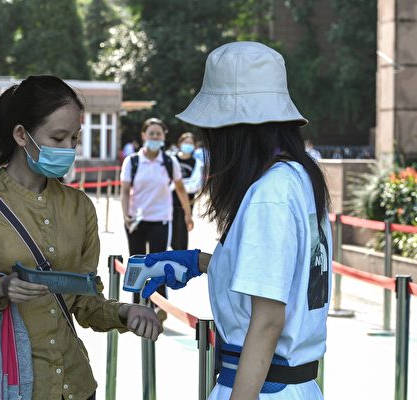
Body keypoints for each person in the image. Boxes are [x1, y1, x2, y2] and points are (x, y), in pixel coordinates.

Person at [0, 75, 162, 400]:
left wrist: (126, 312)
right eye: (58, 137)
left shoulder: (79, 207)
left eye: (74, 139)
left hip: (76, 386)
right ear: (21, 134)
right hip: (7, 387)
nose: (69, 150)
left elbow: (85, 302)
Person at [142, 42, 332, 400]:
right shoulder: (299, 176)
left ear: (232, 129)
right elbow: (283, 276)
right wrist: (203, 263)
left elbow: (268, 320)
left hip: (258, 387)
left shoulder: (269, 194)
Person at [120, 118, 194, 307]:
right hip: (135, 220)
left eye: (158, 133)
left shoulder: (169, 162)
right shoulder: (133, 161)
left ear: (164, 136)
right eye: (151, 133)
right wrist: (125, 215)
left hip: (160, 220)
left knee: (158, 265)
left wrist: (187, 214)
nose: (154, 137)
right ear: (143, 135)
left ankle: (159, 307)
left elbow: (180, 189)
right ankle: (136, 307)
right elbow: (125, 190)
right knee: (137, 265)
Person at [171, 132, 203, 250]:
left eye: (191, 143)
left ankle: (181, 254)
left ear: (194, 146)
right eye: (185, 142)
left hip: (188, 201)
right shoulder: (172, 160)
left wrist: (178, 185)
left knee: (183, 228)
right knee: (171, 228)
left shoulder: (197, 163)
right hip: (170, 199)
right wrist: (179, 185)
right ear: (180, 143)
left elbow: (195, 185)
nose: (187, 145)